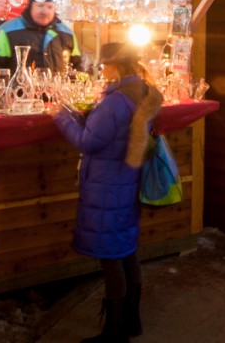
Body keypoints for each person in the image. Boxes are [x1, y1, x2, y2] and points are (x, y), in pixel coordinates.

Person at [54, 43, 163, 342]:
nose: (101, 70)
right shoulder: (142, 92)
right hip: (126, 184)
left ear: (115, 66)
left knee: (111, 258)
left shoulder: (115, 102)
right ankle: (132, 320)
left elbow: (88, 142)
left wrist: (63, 116)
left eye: (104, 65)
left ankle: (114, 333)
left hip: (107, 187)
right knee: (126, 250)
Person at [0, 0, 80, 74]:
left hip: (58, 89)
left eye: (50, 7)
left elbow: (77, 69)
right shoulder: (6, 31)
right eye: (40, 6)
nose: (45, 11)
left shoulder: (67, 34)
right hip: (19, 89)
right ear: (31, 6)